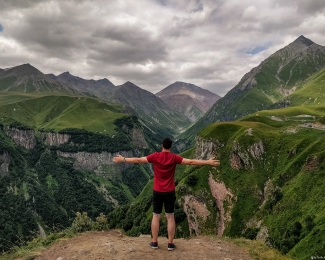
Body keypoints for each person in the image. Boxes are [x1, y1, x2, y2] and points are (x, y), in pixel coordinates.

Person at [113, 137, 220, 251]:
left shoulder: (155, 156)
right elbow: (191, 162)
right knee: (170, 217)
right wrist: (208, 162)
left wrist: (123, 159)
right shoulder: (174, 158)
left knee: (155, 216)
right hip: (169, 191)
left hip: (157, 191)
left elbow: (139, 160)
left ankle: (154, 242)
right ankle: (170, 243)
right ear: (171, 146)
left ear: (162, 145)